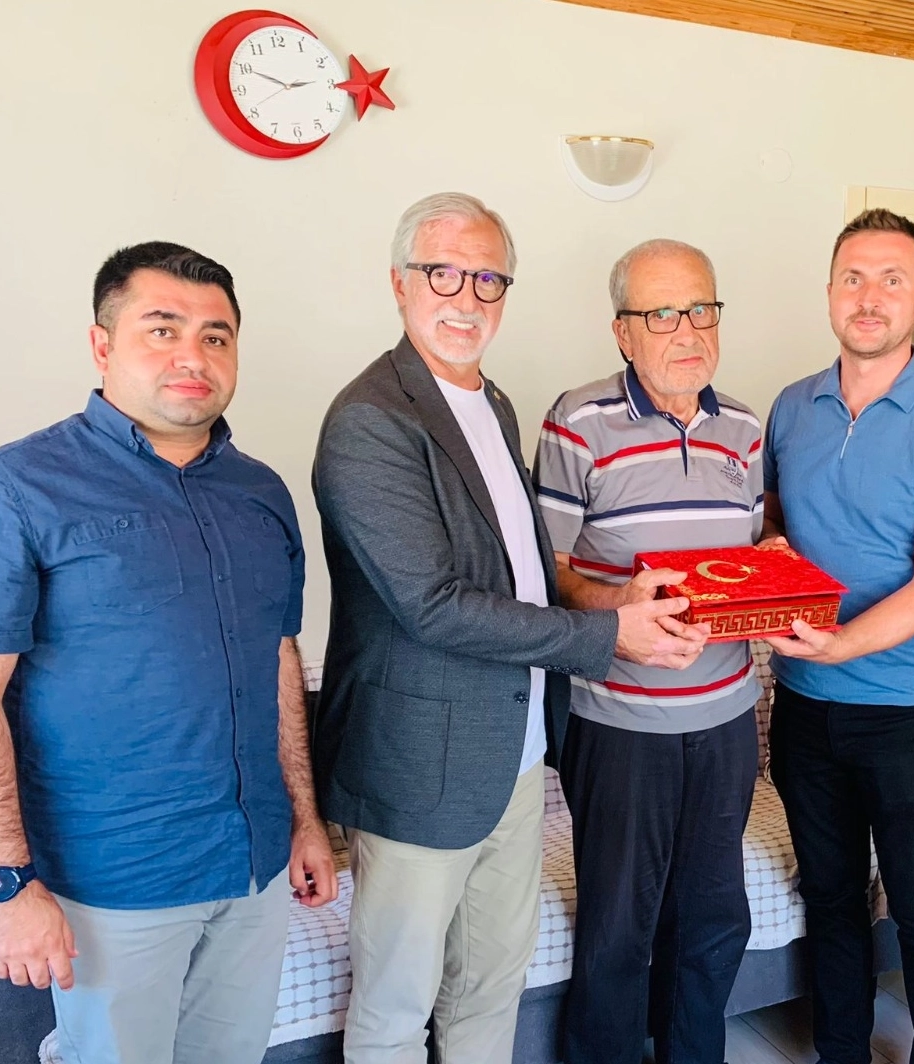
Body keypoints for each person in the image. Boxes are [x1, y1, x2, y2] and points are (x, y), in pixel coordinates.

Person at [313, 194, 708, 1064]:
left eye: (487, 279)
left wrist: (614, 601)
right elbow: (433, 604)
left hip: (515, 757)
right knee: (395, 1009)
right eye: (443, 274)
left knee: (491, 987)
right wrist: (610, 640)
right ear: (400, 283)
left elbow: (523, 574)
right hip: (418, 768)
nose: (467, 298)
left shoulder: (489, 401)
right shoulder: (371, 419)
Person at [0, 241, 335, 1064]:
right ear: (102, 344)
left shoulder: (261, 492)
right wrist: (5, 885)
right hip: (111, 882)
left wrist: (303, 819)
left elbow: (278, 661)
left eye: (216, 336)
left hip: (252, 868)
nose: (193, 355)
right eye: (162, 329)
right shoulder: (12, 489)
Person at [762, 208, 914, 1064]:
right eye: (854, 278)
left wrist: (841, 645)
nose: (870, 298)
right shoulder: (791, 408)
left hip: (906, 713)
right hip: (802, 708)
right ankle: (842, 1053)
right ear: (830, 291)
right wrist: (769, 557)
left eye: (892, 280)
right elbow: (776, 527)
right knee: (829, 900)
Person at [534, 237, 764, 1064]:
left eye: (702, 308)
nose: (688, 330)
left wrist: (771, 586)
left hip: (728, 719)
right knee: (618, 931)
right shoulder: (577, 423)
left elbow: (743, 560)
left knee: (714, 921)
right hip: (619, 724)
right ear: (623, 332)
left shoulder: (744, 428)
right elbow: (548, 573)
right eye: (662, 314)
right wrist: (618, 604)